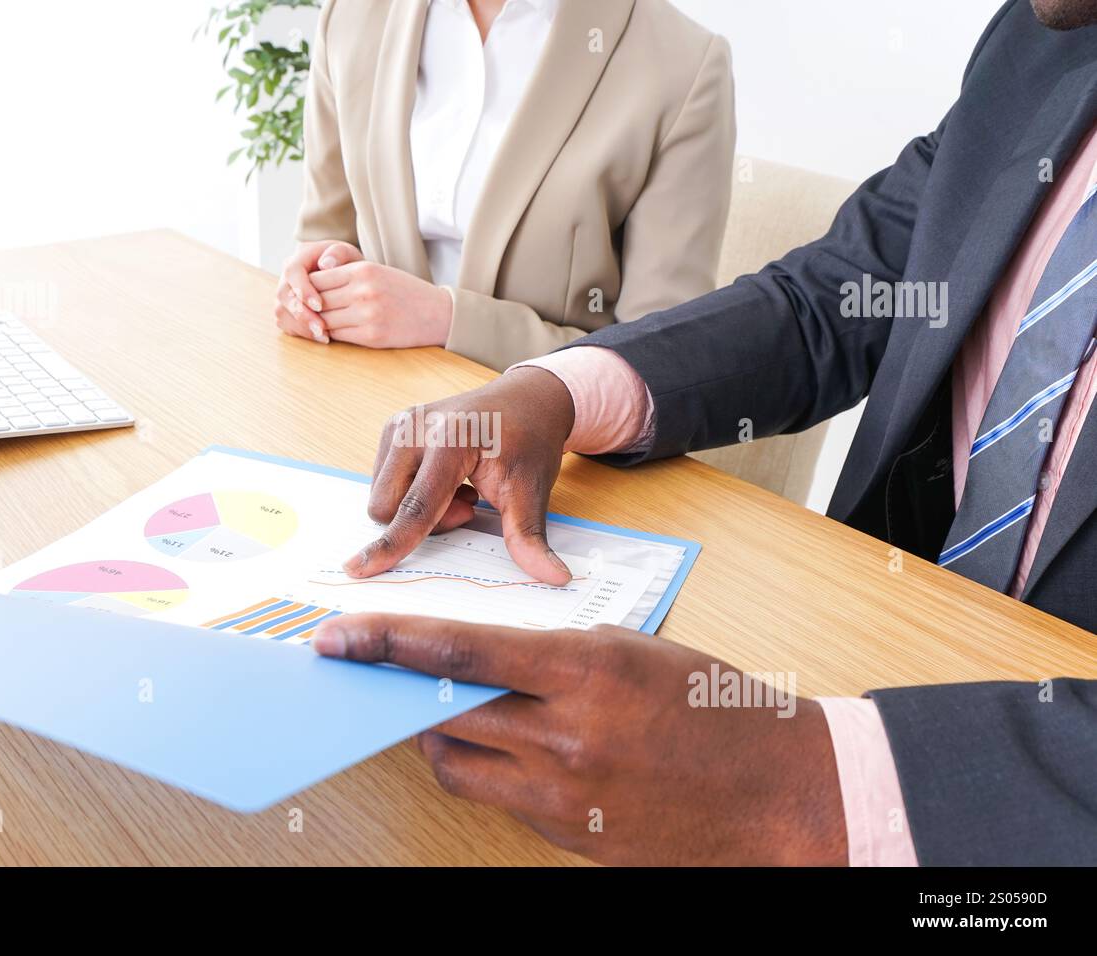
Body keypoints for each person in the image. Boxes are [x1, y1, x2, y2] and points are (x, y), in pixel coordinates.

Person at [310, 0, 1097, 865]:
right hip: (871, 655)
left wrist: (807, 782)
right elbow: (833, 296)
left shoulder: (673, 59)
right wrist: (558, 389)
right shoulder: (1039, 38)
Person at [274, 0, 736, 371]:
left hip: (546, 443)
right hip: (358, 402)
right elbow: (323, 234)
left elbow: (660, 366)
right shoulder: (353, 12)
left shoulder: (683, 66)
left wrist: (446, 319)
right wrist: (312, 289)